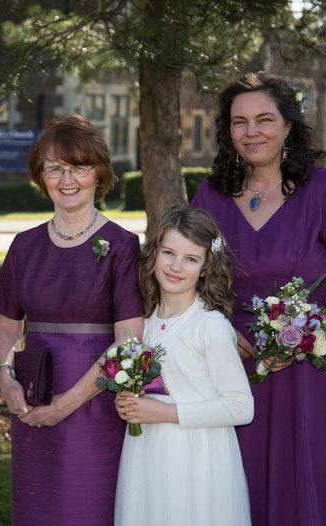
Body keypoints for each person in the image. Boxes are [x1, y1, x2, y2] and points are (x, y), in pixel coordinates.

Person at [191, 71, 326, 525]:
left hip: (311, 373)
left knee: (309, 484)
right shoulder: (209, 196)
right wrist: (216, 321)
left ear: (288, 126)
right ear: (228, 130)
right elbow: (185, 278)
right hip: (230, 367)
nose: (251, 131)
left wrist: (303, 338)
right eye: (239, 122)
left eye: (264, 119)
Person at [0, 114, 144, 525]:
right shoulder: (23, 246)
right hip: (33, 396)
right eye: (55, 168)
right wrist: (5, 377)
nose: (67, 179)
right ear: (40, 176)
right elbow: (8, 324)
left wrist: (70, 402)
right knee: (35, 505)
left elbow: (129, 341)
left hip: (94, 402)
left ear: (100, 172)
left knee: (88, 506)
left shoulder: (122, 245)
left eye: (79, 166)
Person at [113, 206, 253, 525]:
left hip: (197, 460)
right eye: (169, 253)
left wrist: (163, 413)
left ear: (205, 268)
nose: (176, 266)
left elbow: (241, 407)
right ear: (155, 254)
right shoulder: (142, 325)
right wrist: (128, 401)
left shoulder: (210, 326)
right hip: (147, 454)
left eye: (191, 259)